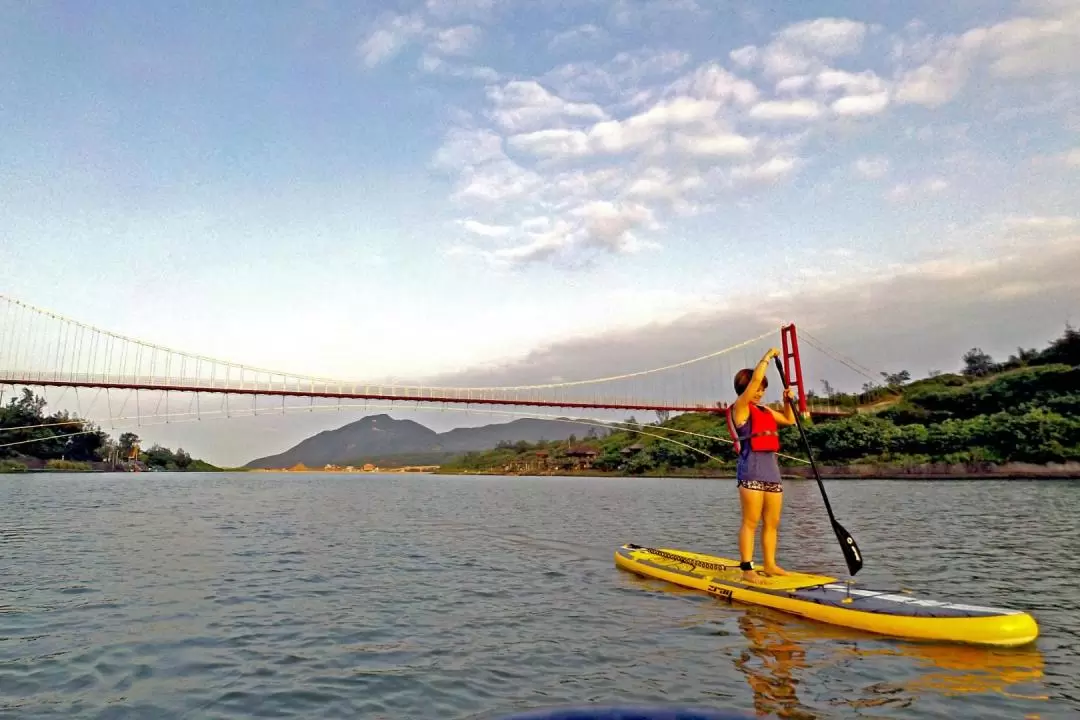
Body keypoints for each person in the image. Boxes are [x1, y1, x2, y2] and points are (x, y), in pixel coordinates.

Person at [725, 347, 796, 584]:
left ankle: (770, 565)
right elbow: (755, 379)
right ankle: (747, 569)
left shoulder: (766, 410)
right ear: (745, 390)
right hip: (751, 470)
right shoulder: (741, 408)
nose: (760, 392)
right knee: (751, 521)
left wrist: (787, 402)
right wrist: (767, 356)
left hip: (771, 471)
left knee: (772, 523)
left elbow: (789, 420)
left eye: (763, 389)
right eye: (756, 389)